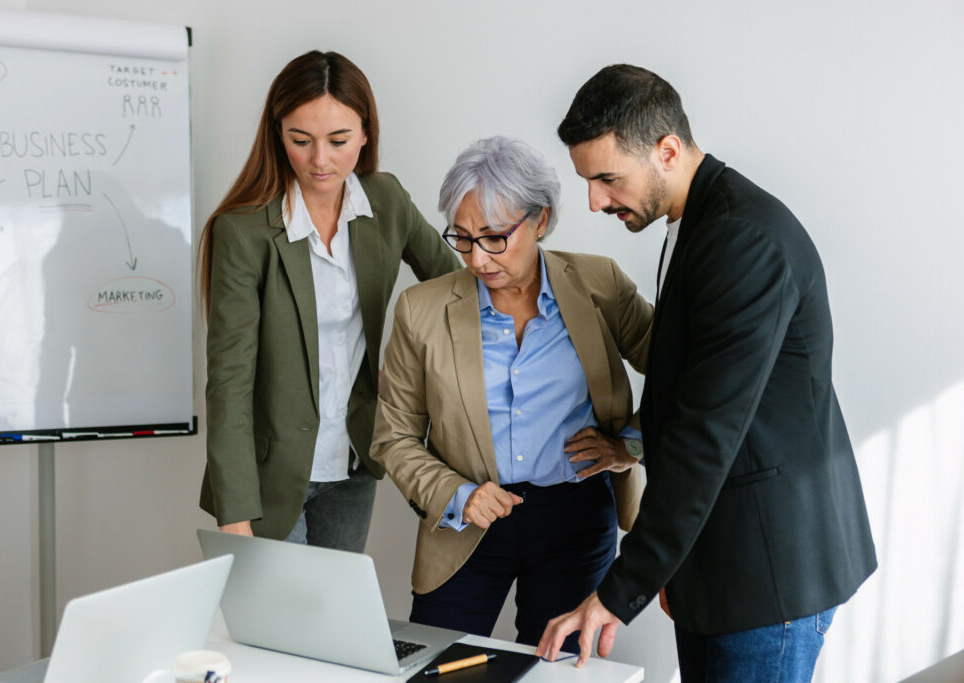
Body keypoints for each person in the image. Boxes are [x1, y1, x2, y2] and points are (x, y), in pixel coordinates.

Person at [537, 65, 877, 681]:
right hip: (721, 564)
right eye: (588, 180)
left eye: (607, 178)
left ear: (667, 150)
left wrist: (621, 589)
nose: (594, 200)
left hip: (765, 575)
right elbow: (687, 387)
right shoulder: (701, 221)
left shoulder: (741, 238)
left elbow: (707, 434)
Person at [370, 136, 654, 652]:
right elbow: (394, 435)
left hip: (576, 517)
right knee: (438, 665)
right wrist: (459, 495)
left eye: (495, 237)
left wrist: (628, 445)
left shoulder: (599, 284)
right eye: (462, 237)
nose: (477, 258)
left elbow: (683, 373)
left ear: (540, 220)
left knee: (559, 670)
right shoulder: (421, 309)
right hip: (468, 520)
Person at [197, 50, 460, 552]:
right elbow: (229, 382)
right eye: (301, 140)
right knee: (274, 629)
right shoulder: (244, 230)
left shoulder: (386, 202)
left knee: (333, 620)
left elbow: (457, 293)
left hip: (355, 458)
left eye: (338, 141)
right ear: (279, 134)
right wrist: (234, 513)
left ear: (365, 133)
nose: (321, 160)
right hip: (266, 476)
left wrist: (411, 376)